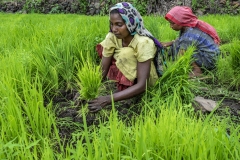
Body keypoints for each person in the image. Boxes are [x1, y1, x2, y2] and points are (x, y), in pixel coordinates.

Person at [87, 2, 163, 113]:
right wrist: (87, 89)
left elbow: (143, 84)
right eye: (112, 24)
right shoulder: (112, 37)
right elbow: (103, 70)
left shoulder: (143, 42)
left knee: (125, 54)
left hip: (147, 82)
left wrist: (108, 99)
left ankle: (133, 94)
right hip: (130, 71)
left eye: (119, 24)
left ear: (130, 23)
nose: (114, 29)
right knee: (106, 47)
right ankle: (125, 89)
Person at [161, 6, 220, 77]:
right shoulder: (189, 25)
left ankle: (197, 70)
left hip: (210, 60)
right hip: (210, 55)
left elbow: (181, 54)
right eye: (170, 23)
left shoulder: (190, 33)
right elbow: (180, 40)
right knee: (177, 44)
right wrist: (169, 43)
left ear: (181, 21)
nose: (171, 26)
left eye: (173, 23)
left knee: (185, 51)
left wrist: (173, 68)